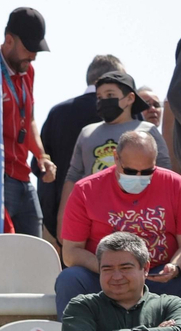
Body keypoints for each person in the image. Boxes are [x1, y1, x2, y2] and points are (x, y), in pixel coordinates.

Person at [56, 133, 181, 314]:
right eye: (131, 171)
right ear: (116, 158)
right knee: (70, 279)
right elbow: (70, 253)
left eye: (147, 172)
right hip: (105, 278)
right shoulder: (86, 190)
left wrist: (175, 266)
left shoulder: (177, 186)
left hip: (158, 277)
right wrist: (110, 270)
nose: (139, 177)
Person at [62, 71, 172, 221]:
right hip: (95, 216)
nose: (104, 101)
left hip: (139, 215)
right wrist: (63, 218)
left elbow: (164, 172)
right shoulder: (87, 133)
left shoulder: (147, 130)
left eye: (110, 95)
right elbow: (73, 176)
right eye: (99, 97)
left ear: (130, 98)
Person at [41, 55, 126, 239]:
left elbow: (42, 168)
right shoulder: (128, 115)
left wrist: (53, 220)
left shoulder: (58, 113)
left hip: (67, 222)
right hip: (121, 221)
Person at [0, 8, 56, 236]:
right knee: (2, 252)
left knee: (35, 253)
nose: (33, 56)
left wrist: (41, 155)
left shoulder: (28, 70)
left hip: (23, 176)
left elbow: (29, 117)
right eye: (29, 49)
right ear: (9, 40)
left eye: (37, 50)